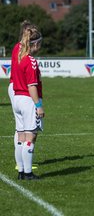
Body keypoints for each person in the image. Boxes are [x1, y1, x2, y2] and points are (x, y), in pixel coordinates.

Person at [13, 24, 44, 180]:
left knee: (21, 136)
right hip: (27, 100)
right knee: (30, 137)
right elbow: (32, 86)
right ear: (36, 44)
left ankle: (21, 171)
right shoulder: (30, 61)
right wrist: (38, 106)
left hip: (17, 98)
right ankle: (27, 173)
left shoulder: (18, 53)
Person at [8, 20, 33, 179]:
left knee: (20, 128)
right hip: (21, 90)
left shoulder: (17, 48)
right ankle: (26, 169)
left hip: (14, 88)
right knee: (27, 131)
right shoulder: (23, 51)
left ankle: (21, 166)